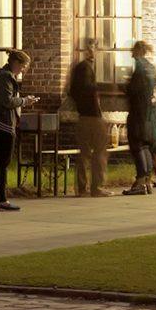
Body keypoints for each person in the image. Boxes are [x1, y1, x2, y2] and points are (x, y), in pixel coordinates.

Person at [0, 48, 30, 211]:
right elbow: (7, 101)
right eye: (23, 66)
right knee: (3, 162)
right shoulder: (5, 77)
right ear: (15, 63)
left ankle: (2, 199)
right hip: (1, 123)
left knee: (3, 162)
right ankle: (2, 201)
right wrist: (24, 101)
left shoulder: (4, 75)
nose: (23, 70)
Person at [68, 37, 109, 198]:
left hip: (84, 115)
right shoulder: (85, 67)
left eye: (94, 48)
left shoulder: (80, 67)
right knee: (99, 151)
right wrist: (100, 88)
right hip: (91, 115)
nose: (92, 52)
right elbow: (86, 89)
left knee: (84, 153)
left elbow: (73, 91)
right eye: (90, 48)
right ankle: (96, 187)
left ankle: (82, 188)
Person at [122, 40, 156, 195]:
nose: (132, 54)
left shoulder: (139, 68)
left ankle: (140, 182)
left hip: (138, 114)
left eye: (133, 51)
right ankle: (147, 181)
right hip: (151, 116)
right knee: (145, 147)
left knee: (137, 146)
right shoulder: (151, 68)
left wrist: (125, 87)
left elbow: (134, 91)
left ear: (138, 51)